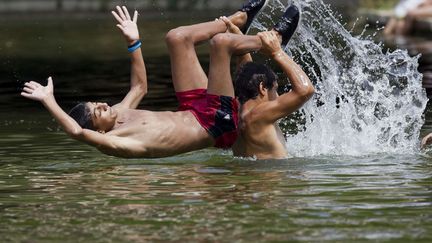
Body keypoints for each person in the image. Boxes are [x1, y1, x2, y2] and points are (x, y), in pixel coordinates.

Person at [20, 1, 278, 158]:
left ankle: (237, 20)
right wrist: (48, 100)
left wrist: (133, 42)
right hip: (216, 124)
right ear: (97, 131)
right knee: (221, 46)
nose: (100, 104)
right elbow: (76, 131)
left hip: (193, 108)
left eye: (94, 103)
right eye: (96, 112)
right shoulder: (116, 142)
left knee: (176, 38)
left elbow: (139, 86)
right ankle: (269, 41)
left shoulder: (120, 113)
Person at [225, 6, 315, 159]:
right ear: (262, 88)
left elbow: (245, 73)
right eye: (275, 89)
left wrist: (239, 39)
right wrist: (277, 53)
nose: (278, 95)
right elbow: (305, 91)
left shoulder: (234, 114)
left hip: (252, 179)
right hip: (273, 180)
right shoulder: (258, 116)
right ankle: (274, 39)